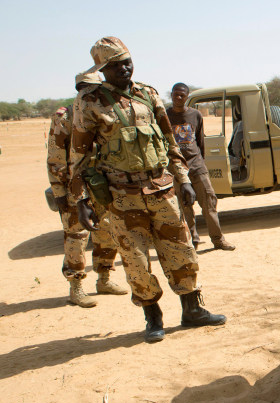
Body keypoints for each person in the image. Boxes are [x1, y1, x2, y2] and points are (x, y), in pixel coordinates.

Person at [69, 36, 226, 342]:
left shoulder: (148, 94)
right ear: (102, 70)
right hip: (120, 197)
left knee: (181, 251)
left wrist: (182, 179)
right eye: (115, 66)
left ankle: (192, 310)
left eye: (127, 62)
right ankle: (153, 318)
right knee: (136, 261)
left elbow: (170, 142)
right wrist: (81, 200)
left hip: (161, 189)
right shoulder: (89, 102)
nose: (124, 69)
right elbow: (79, 155)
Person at [47, 72, 128, 307]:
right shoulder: (65, 116)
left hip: (101, 184)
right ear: (78, 89)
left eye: (93, 89)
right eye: (84, 89)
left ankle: (104, 279)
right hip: (74, 186)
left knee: (107, 231)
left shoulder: (103, 112)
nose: (89, 94)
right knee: (76, 237)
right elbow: (55, 158)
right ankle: (76, 287)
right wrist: (59, 193)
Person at [167, 82, 235, 251]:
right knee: (185, 207)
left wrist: (200, 163)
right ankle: (192, 242)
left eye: (182, 95)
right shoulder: (164, 116)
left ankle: (218, 240)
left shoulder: (195, 115)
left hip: (197, 166)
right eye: (176, 94)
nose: (178, 98)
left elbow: (200, 141)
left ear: (186, 97)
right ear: (172, 95)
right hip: (176, 169)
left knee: (209, 204)